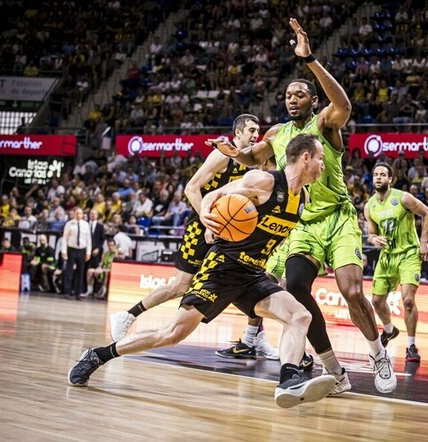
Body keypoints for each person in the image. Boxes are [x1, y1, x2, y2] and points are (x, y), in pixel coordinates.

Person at [68, 133, 337, 408]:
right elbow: (214, 195)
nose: (323, 166)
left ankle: (288, 382)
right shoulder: (264, 181)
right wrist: (209, 220)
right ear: (305, 158)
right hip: (222, 269)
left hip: (252, 275)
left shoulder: (301, 196)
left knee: (299, 316)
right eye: (320, 159)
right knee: (173, 333)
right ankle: (99, 355)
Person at [210, 19, 397, 394]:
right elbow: (253, 157)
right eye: (288, 95)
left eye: (299, 95)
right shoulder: (278, 133)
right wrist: (235, 154)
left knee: (351, 290)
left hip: (338, 217)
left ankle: (378, 353)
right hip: (302, 223)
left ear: (312, 101)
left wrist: (309, 58)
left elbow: (343, 103)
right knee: (295, 288)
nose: (291, 99)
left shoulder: (325, 124)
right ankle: (334, 370)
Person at [109, 114, 279, 361]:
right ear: (238, 132)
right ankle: (128, 315)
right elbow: (191, 187)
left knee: (245, 277)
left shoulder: (256, 164)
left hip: (229, 230)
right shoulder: (222, 155)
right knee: (180, 285)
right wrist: (207, 220)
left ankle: (254, 336)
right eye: (251, 130)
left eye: (258, 131)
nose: (255, 135)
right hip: (202, 225)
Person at [364, 162, 428, 362]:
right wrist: (374, 239)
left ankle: (411, 346)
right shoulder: (369, 206)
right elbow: (371, 233)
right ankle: (390, 329)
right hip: (387, 257)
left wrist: (424, 242)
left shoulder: (403, 198)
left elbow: (427, 213)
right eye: (375, 174)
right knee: (376, 301)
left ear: (390, 179)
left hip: (408, 254)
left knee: (408, 300)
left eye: (383, 174)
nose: (378, 177)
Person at [61, 207, 92, 298]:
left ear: (82, 215)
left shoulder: (86, 224)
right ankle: (67, 291)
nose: (79, 215)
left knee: (80, 272)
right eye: (77, 213)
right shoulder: (69, 224)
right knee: (69, 271)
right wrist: (64, 251)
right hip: (71, 249)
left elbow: (88, 239)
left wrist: (88, 252)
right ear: (74, 214)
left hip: (82, 250)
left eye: (80, 213)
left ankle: (78, 293)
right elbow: (65, 238)